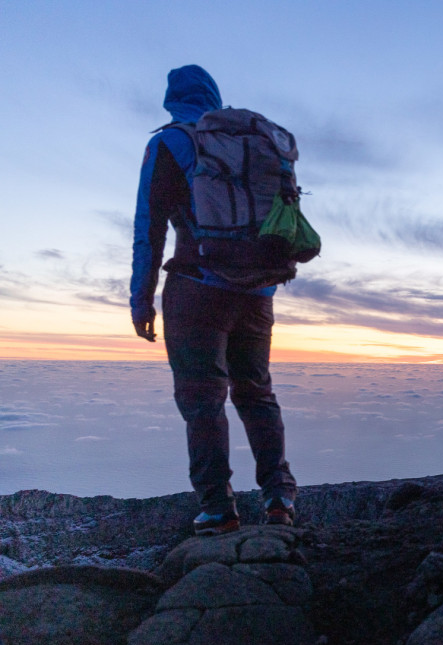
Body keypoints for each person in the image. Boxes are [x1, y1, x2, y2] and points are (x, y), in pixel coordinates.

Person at [130, 65, 298, 535]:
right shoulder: (251, 142)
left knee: (203, 400)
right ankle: (279, 497)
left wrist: (140, 300)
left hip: (197, 288)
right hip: (258, 291)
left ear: (172, 101)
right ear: (215, 96)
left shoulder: (169, 143)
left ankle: (217, 508)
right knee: (257, 392)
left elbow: (149, 228)